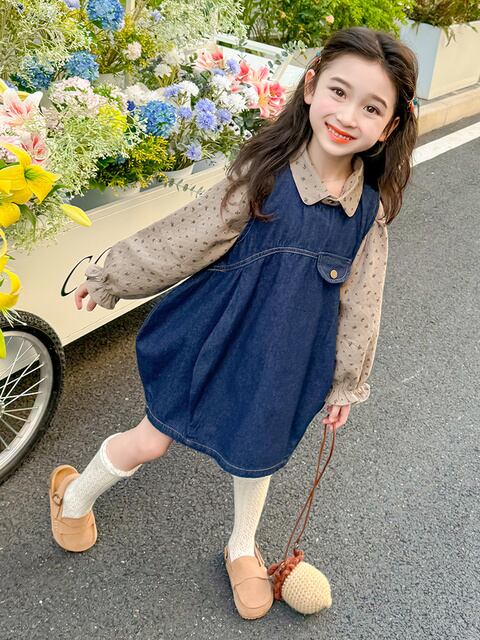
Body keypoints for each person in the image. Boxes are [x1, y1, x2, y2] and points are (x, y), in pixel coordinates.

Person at [48, 26, 418, 620]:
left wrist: (347, 382)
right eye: (339, 91)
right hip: (215, 336)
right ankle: (74, 494)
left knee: (259, 448)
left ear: (390, 126)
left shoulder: (366, 213)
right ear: (311, 86)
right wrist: (112, 275)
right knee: (153, 438)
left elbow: (363, 302)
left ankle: (242, 547)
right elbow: (185, 238)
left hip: (287, 355)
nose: (349, 115)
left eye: (372, 108)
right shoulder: (263, 177)